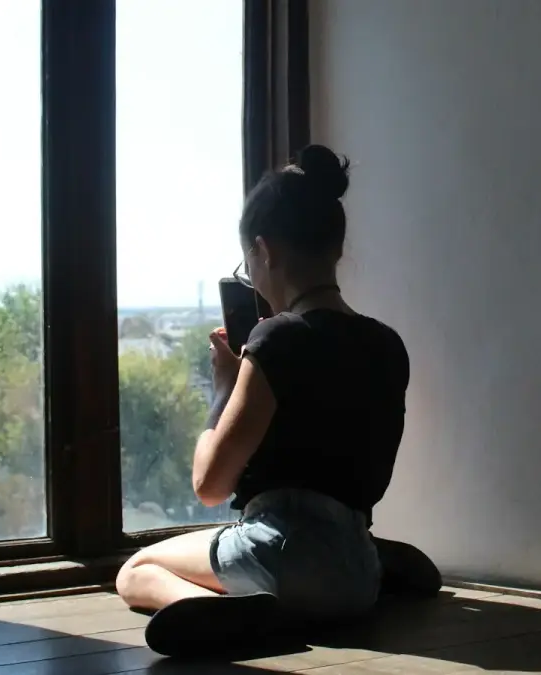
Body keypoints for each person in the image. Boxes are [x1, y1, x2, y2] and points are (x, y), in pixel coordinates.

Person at [114, 144, 411, 656]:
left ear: (265, 250)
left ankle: (220, 608)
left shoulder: (277, 339)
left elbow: (209, 485)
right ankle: (374, 560)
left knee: (137, 569)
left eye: (249, 261)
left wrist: (226, 389)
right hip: (357, 578)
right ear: (335, 249)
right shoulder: (387, 343)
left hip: (281, 556)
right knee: (336, 542)